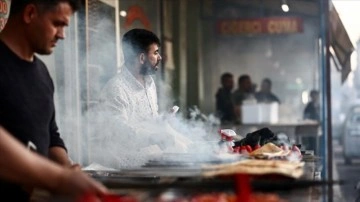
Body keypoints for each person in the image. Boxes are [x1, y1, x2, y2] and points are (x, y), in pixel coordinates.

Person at [0, 0, 108, 200]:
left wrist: (68, 169)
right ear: (30, 13)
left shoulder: (41, 72)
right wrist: (59, 178)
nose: (62, 35)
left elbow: (50, 134)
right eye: (57, 24)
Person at [100, 28, 162, 122]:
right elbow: (121, 133)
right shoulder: (115, 89)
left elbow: (153, 121)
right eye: (155, 53)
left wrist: (163, 121)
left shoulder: (150, 83)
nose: (160, 57)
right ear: (142, 58)